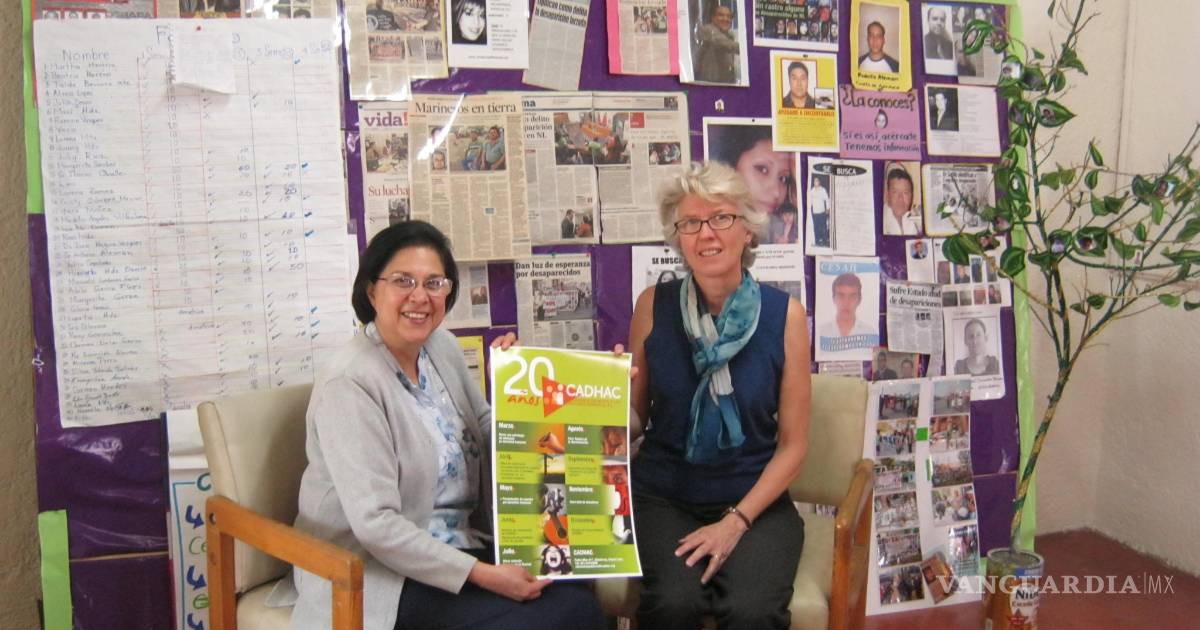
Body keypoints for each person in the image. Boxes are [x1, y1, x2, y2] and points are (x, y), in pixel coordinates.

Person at [284, 221, 603, 630]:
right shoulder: (349, 384)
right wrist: (485, 575)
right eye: (403, 281)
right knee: (549, 618)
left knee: (577, 592)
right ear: (371, 290)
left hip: (463, 543)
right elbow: (376, 525)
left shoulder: (441, 347)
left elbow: (486, 430)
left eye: (434, 283)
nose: (420, 296)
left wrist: (518, 391)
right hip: (376, 573)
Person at [627, 162, 811, 630]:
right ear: (678, 238)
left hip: (755, 501)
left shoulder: (785, 317)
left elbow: (793, 447)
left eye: (721, 218)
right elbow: (633, 421)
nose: (706, 233)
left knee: (752, 613)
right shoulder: (652, 306)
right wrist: (604, 395)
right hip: (664, 497)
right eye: (690, 223)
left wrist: (736, 522)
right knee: (673, 604)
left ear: (747, 230)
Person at [711, 125, 795, 243]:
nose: (776, 192)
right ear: (730, 166)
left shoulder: (782, 231)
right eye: (762, 169)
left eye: (783, 179)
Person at [693, 4, 740, 83]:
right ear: (713, 18)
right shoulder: (708, 30)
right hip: (707, 84)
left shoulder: (730, 36)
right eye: (721, 15)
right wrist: (747, 49)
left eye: (729, 16)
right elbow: (724, 43)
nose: (726, 19)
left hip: (724, 84)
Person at [818, 273, 874, 338]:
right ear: (833, 299)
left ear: (859, 300)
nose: (846, 303)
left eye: (852, 297)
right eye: (841, 296)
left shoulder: (870, 333)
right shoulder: (821, 332)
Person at [882, 167, 923, 236]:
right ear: (887, 194)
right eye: (895, 192)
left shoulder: (915, 221)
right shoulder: (879, 220)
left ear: (911, 196)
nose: (900, 198)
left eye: (905, 192)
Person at [808, 175, 830, 247]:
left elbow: (827, 199)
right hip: (815, 212)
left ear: (819, 182)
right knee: (816, 227)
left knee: (823, 227)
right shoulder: (812, 191)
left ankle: (825, 241)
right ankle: (817, 241)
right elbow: (810, 202)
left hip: (822, 212)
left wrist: (827, 208)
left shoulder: (823, 190)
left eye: (817, 181)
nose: (815, 182)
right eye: (814, 181)